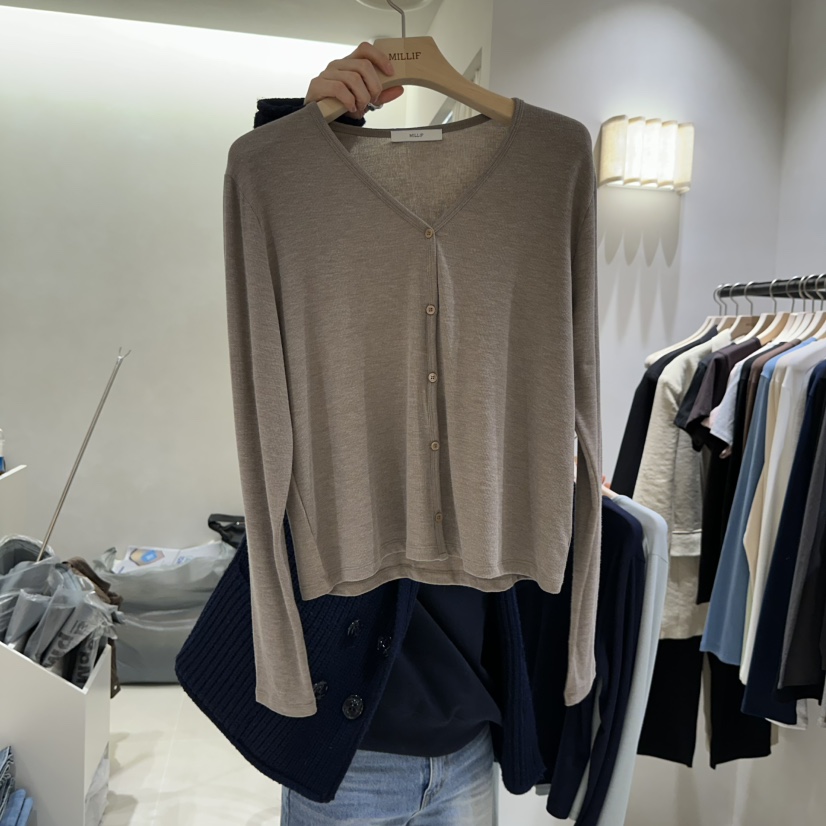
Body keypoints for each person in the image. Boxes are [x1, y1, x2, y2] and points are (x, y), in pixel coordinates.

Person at [267, 43, 501, 825]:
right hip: (349, 746)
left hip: (469, 736)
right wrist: (303, 130)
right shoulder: (327, 353)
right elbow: (282, 254)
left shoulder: (493, 347)